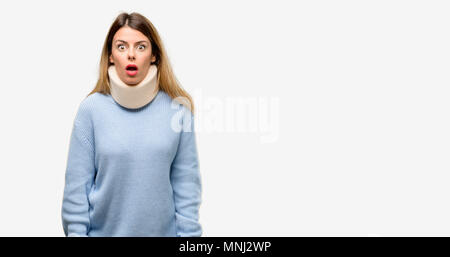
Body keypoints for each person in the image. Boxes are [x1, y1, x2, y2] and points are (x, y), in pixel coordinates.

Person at [61, 12, 202, 237]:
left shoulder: (179, 112)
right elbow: (76, 193)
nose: (131, 55)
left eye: (141, 47)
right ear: (110, 56)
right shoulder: (90, 111)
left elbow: (186, 191)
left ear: (154, 55)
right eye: (122, 47)